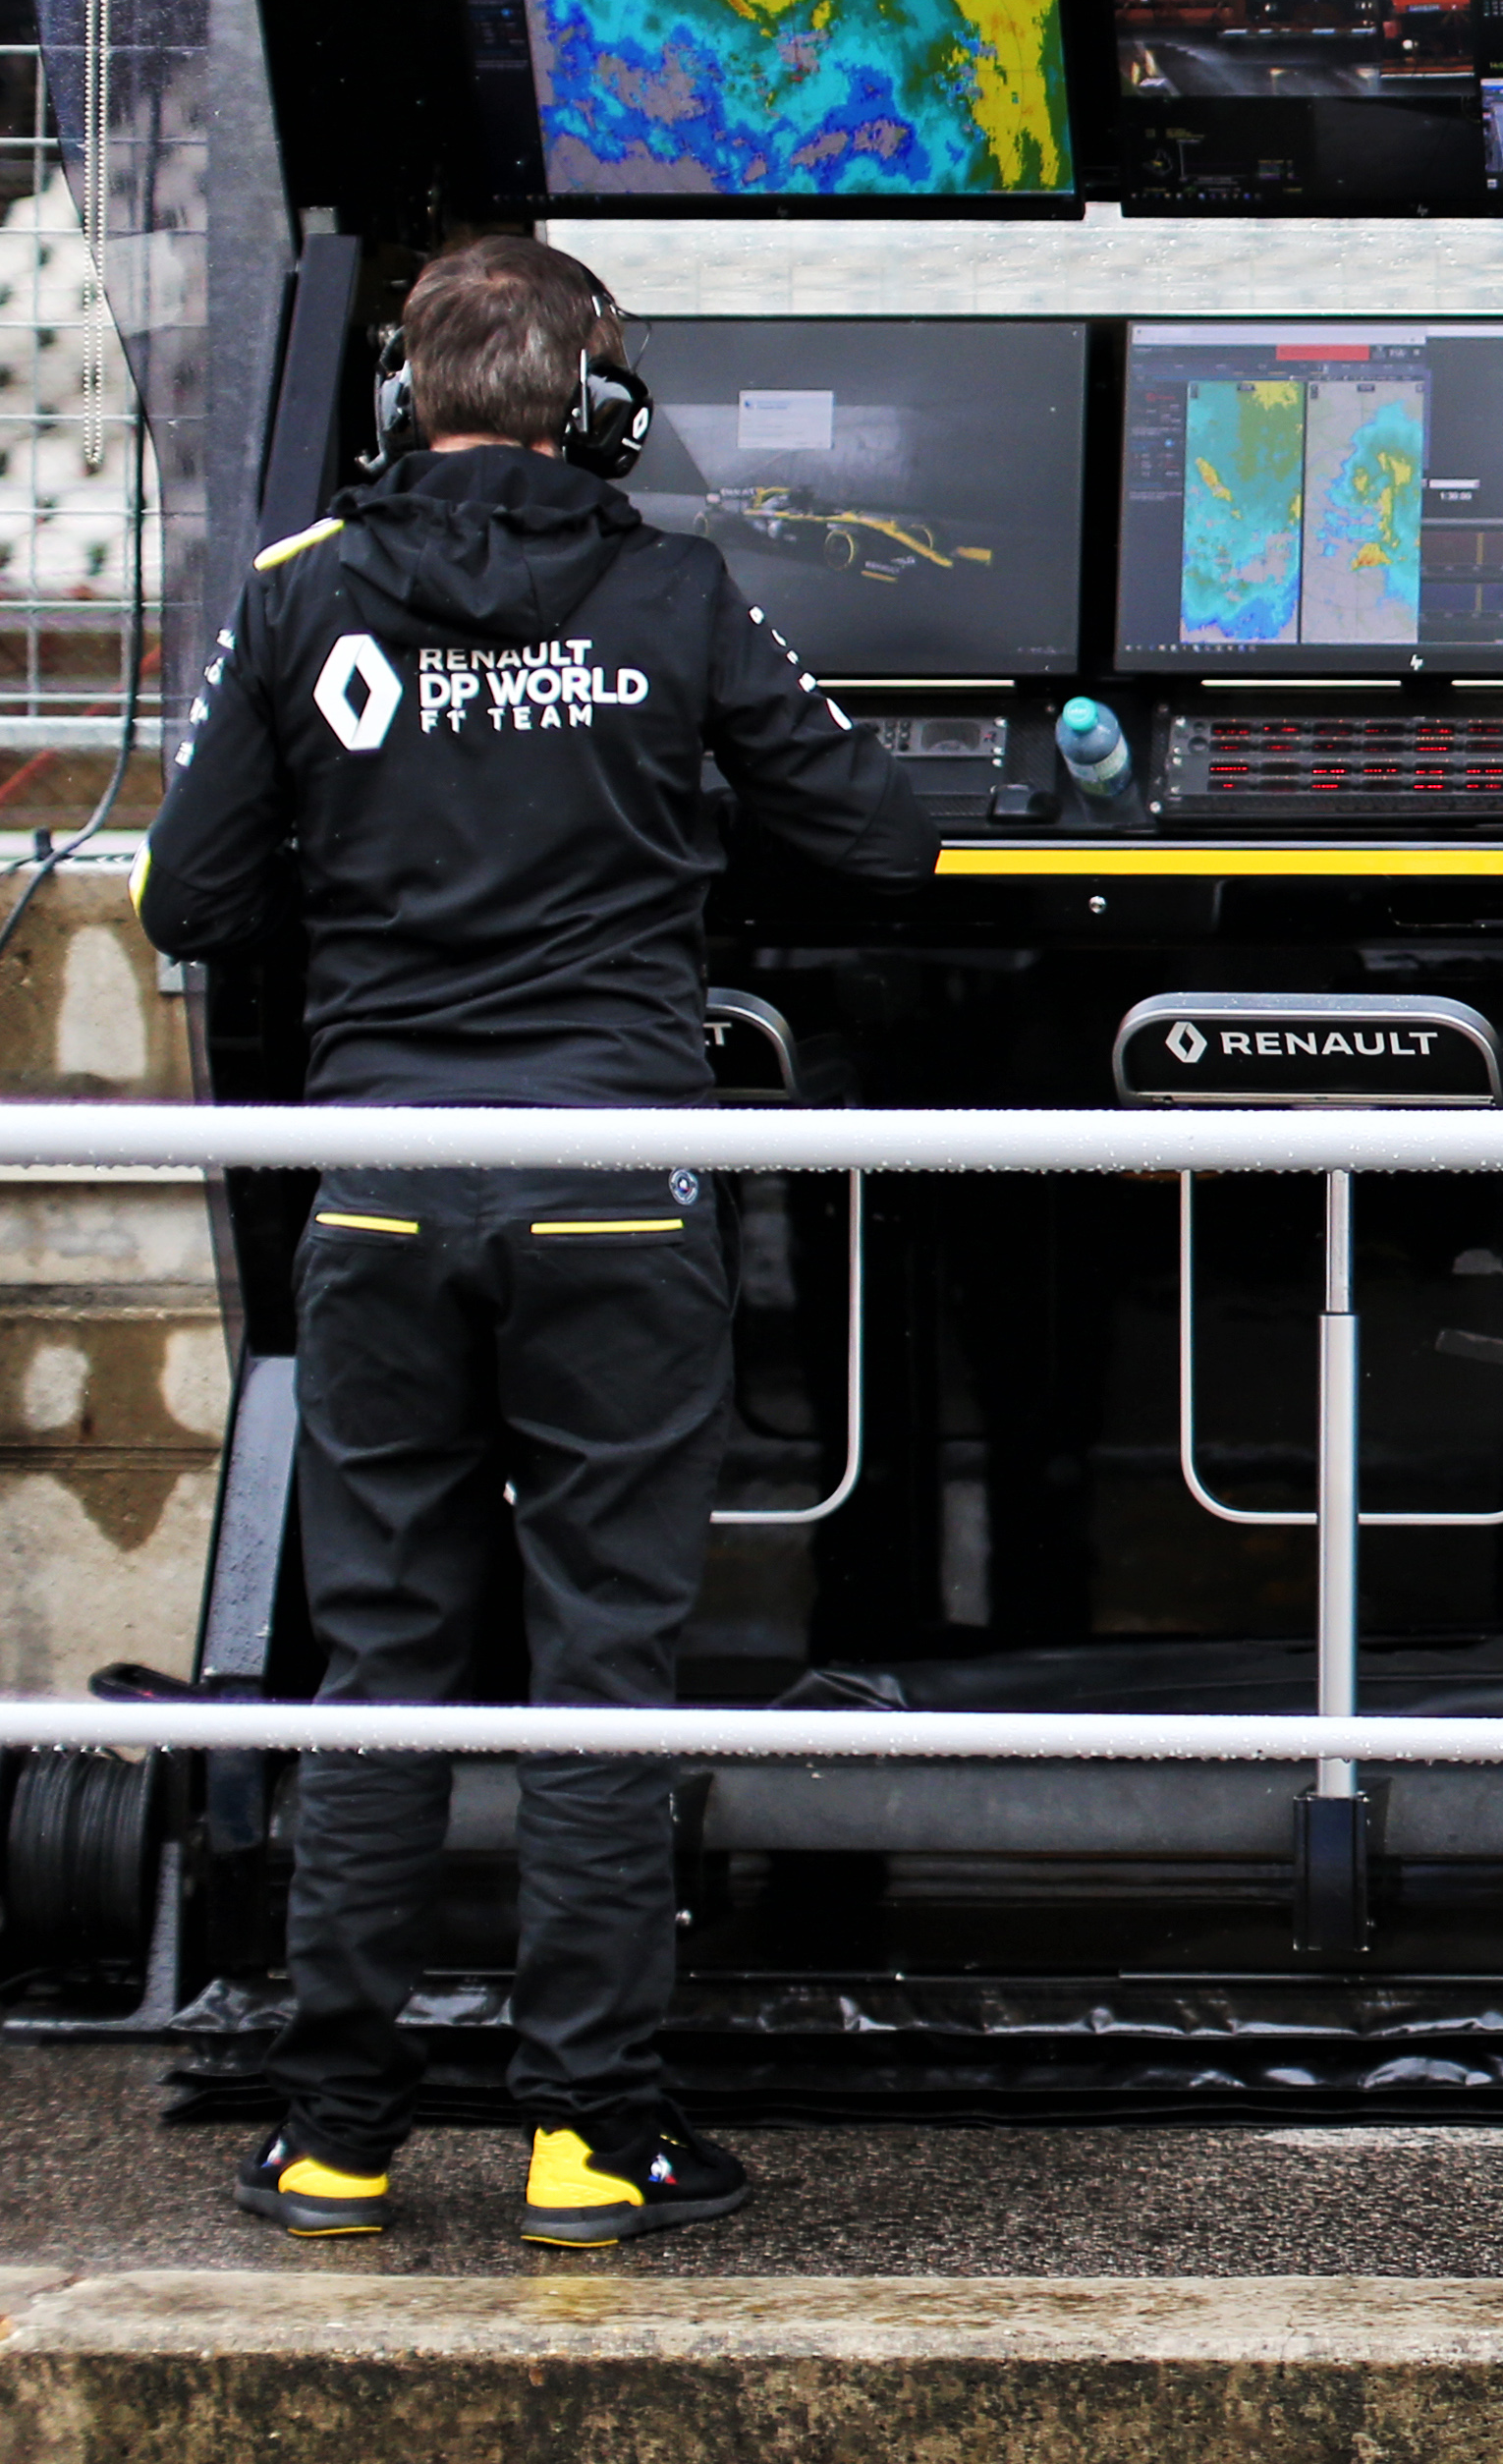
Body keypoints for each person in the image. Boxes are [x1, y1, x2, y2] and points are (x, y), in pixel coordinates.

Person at [139, 238, 932, 2249]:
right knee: (597, 1657)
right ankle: (592, 2137)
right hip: (608, 1186)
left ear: (408, 398)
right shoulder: (669, 586)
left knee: (387, 1656)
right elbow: (880, 838)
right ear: (596, 412)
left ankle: (337, 2132)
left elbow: (194, 898)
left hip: (387, 1185)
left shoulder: (297, 587)